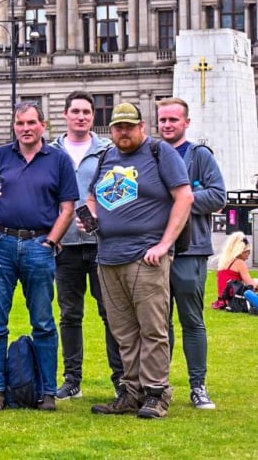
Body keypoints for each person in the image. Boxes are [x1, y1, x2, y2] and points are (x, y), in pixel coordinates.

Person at [86, 102, 192, 419]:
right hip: (108, 257)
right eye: (118, 127)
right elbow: (92, 197)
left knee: (153, 329)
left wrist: (164, 244)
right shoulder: (106, 156)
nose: (123, 132)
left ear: (142, 126)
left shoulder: (160, 153)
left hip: (145, 257)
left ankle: (157, 393)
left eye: (129, 126)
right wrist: (90, 215)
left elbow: (185, 196)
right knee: (124, 332)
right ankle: (131, 393)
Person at [0, 101, 78, 412]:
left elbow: (67, 208)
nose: (25, 128)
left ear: (43, 125)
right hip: (2, 243)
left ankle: (48, 391)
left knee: (44, 321)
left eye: (31, 123)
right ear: (14, 126)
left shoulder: (59, 160)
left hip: (38, 244)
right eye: (20, 123)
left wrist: (51, 241)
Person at [49, 91, 122, 399]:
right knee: (69, 314)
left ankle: (121, 378)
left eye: (87, 112)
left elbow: (120, 191)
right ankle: (72, 379)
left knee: (111, 312)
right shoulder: (51, 152)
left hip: (101, 243)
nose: (81, 116)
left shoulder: (108, 150)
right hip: (65, 245)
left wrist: (100, 214)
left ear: (93, 117)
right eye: (75, 111)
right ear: (65, 115)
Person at [157, 97, 226, 410]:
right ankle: (159, 385)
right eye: (163, 120)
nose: (168, 125)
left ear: (186, 122)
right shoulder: (151, 154)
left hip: (190, 250)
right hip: (155, 251)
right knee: (158, 324)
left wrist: (181, 199)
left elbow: (217, 196)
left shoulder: (199, 156)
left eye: (173, 120)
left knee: (191, 320)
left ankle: (198, 386)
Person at [213, 232, 258, 309]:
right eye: (247, 252)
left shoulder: (224, 263)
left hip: (224, 300)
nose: (248, 256)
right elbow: (251, 285)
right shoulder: (239, 263)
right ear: (240, 251)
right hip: (237, 300)